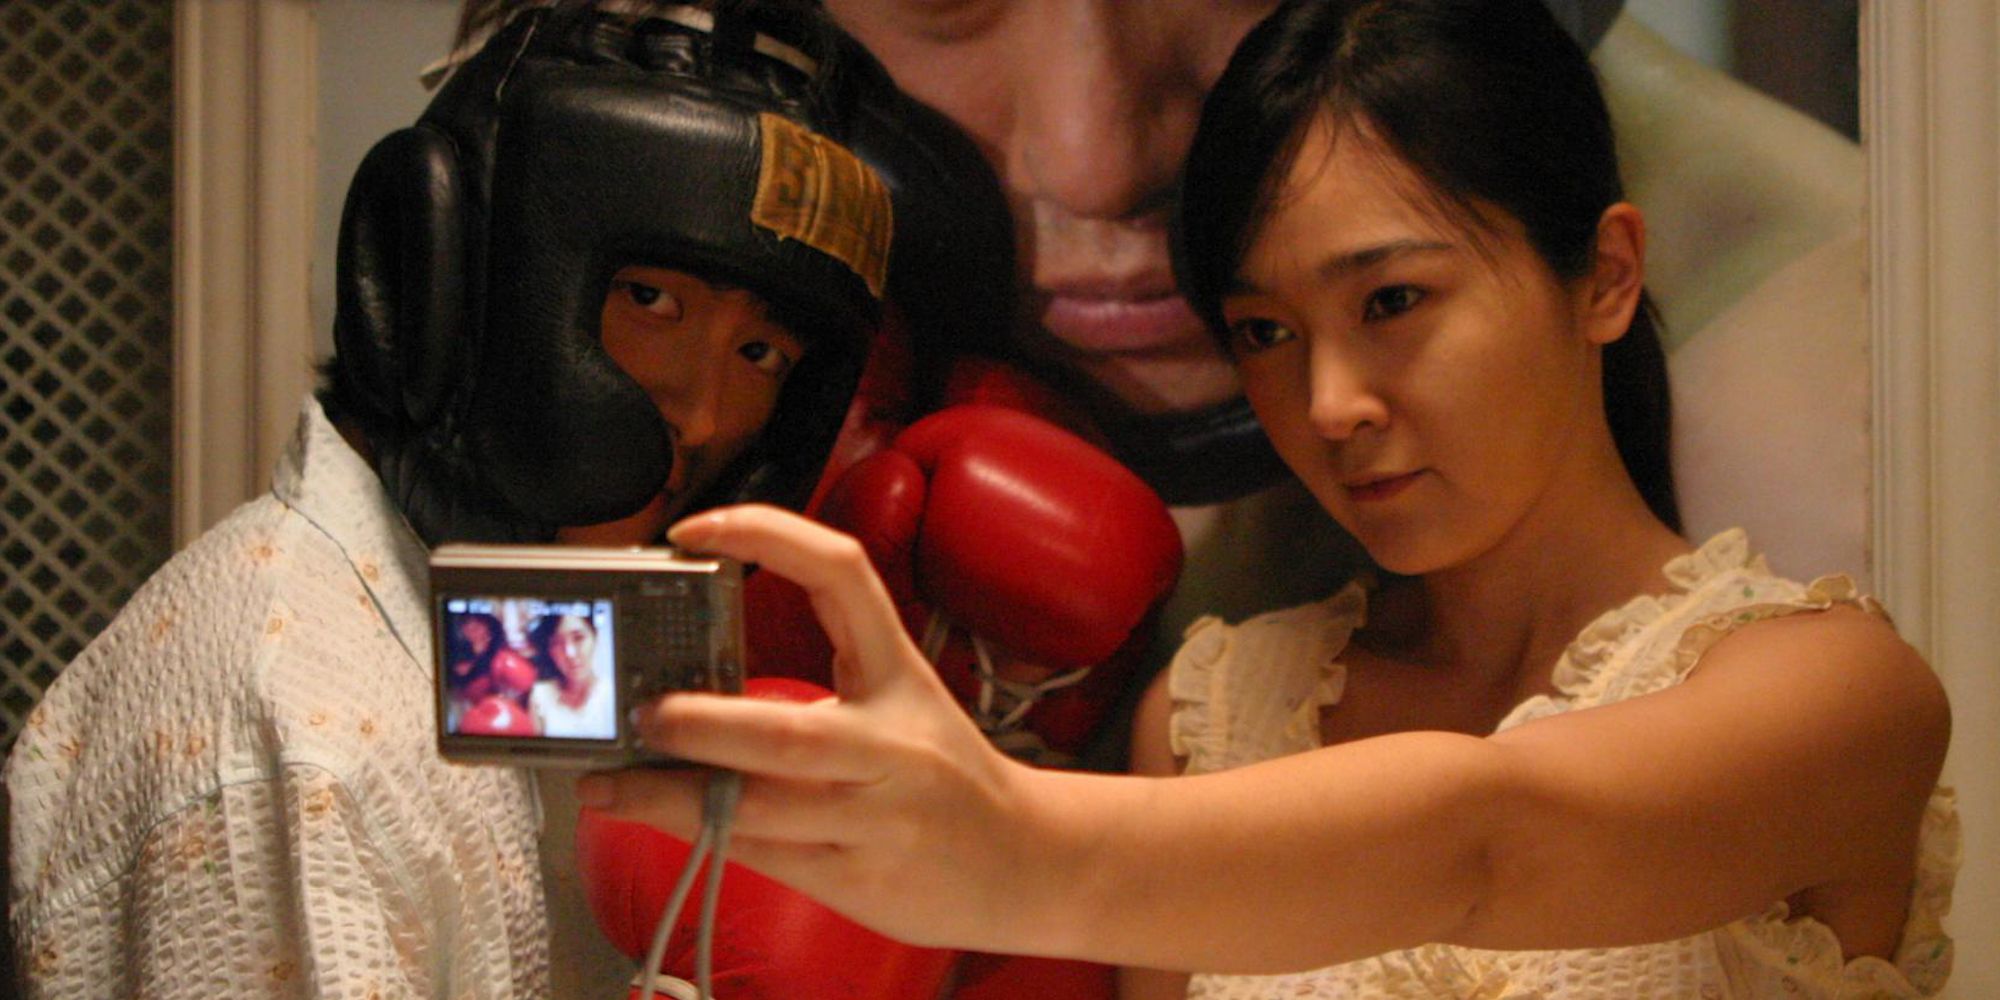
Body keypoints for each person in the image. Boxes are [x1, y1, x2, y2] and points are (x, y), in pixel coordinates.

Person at [577, 1, 1959, 997]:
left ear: (1602, 276)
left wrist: (1003, 844)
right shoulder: (1214, 715)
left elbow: (1490, 841)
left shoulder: (1833, 697)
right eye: (1267, 333)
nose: (1332, 402)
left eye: (1395, 301)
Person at [4, 4, 892, 995]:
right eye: (650, 299)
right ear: (448, 278)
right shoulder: (307, 738)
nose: (706, 414)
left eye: (762, 353)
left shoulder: (482, 634)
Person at [527, 608, 617, 740]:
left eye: (578, 638)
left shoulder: (612, 694)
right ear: (550, 651)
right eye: (557, 643)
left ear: (594, 637)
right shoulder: (541, 696)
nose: (570, 653)